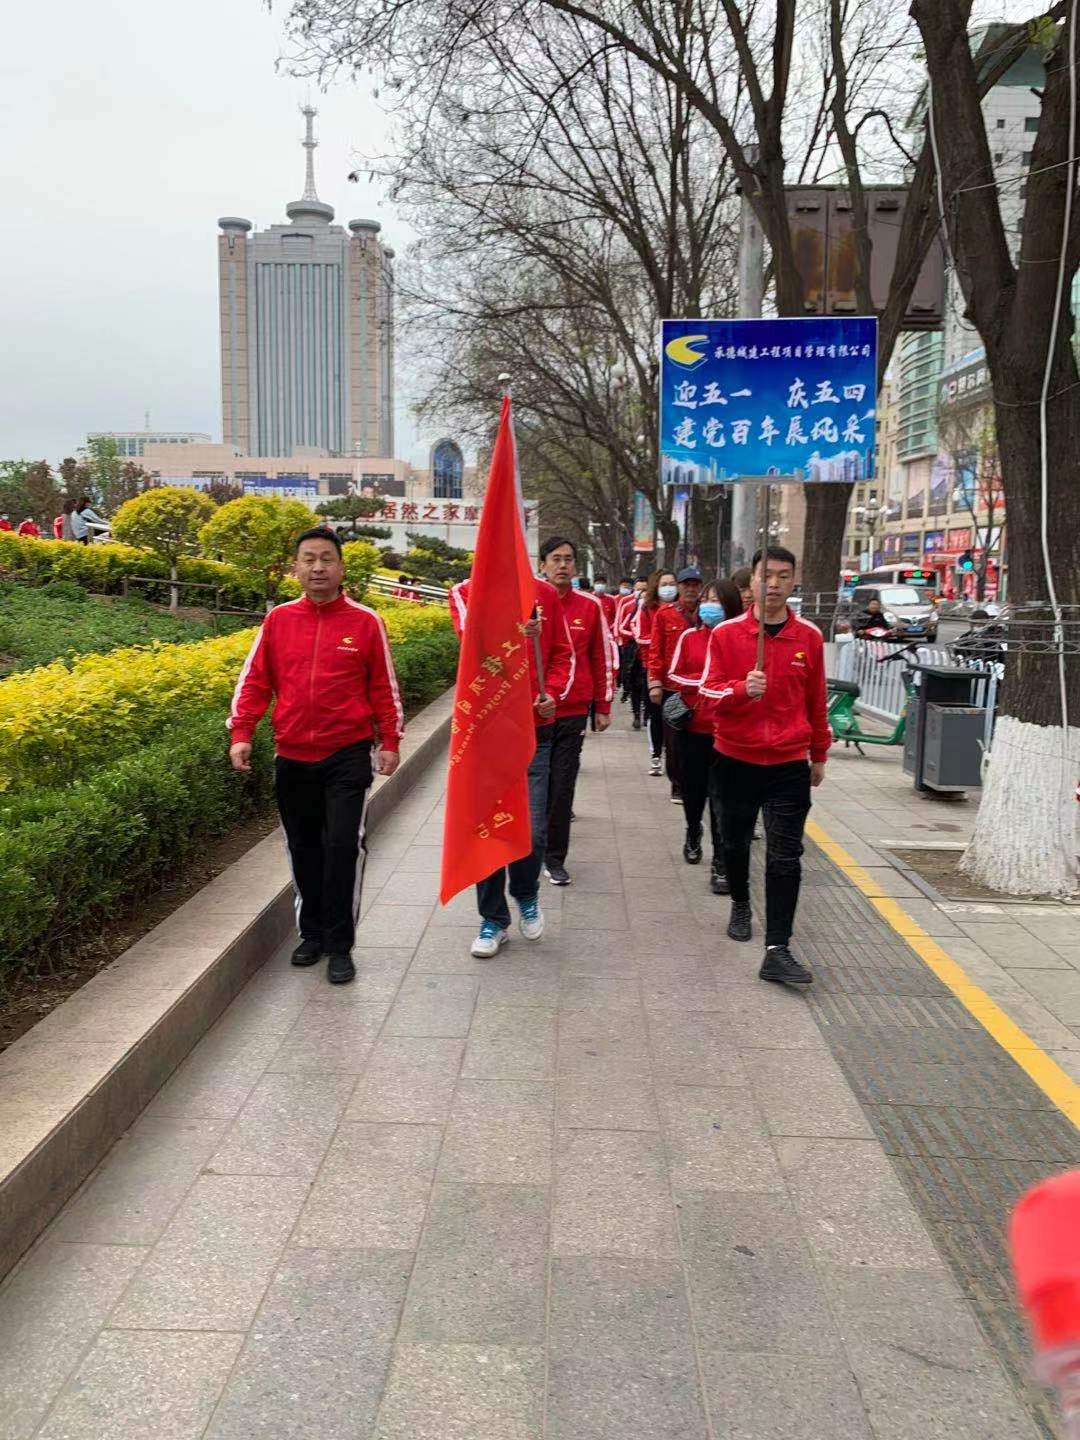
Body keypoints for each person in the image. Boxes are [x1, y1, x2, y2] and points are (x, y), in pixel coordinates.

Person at [228, 526, 404, 985]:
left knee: (344, 846)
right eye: (309, 559)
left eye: (327, 559)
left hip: (345, 755)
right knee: (303, 848)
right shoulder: (279, 620)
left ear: (341, 568)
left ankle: (341, 944)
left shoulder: (366, 622)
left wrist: (390, 741)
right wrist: (242, 732)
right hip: (292, 756)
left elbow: (384, 688)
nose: (318, 567)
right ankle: (312, 934)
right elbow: (255, 681)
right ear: (296, 568)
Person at [699, 545, 831, 987]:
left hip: (788, 763)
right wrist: (740, 689)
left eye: (783, 576)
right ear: (751, 582)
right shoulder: (726, 634)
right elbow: (706, 694)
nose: (773, 584)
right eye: (765, 575)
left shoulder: (808, 637)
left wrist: (820, 752)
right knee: (734, 844)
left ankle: (777, 947)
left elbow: (816, 701)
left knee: (785, 854)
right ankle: (740, 901)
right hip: (734, 758)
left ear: (794, 582)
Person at [448, 572, 574, 956]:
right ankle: (493, 920)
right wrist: (518, 634)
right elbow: (472, 644)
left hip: (535, 732)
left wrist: (550, 692)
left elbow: (562, 654)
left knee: (532, 830)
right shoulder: (465, 592)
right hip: (486, 734)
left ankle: (525, 893)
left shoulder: (546, 594)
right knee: (488, 830)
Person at [539, 536, 614, 886]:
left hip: (572, 711)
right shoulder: (529, 603)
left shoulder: (589, 606)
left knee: (562, 785)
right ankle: (528, 853)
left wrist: (603, 705)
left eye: (568, 559)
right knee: (534, 785)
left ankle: (555, 858)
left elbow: (601, 657)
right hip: (534, 711)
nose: (563, 565)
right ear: (542, 564)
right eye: (556, 559)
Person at [667, 579, 742, 894]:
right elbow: (673, 674)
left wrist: (723, 686)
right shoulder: (690, 636)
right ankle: (693, 831)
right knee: (694, 792)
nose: (711, 604)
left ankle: (721, 863)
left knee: (723, 799)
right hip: (693, 728)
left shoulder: (739, 639)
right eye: (707, 598)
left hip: (726, 732)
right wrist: (704, 682)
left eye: (718, 600)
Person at [647, 565, 703, 801]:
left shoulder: (708, 613)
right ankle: (678, 784)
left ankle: (696, 782)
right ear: (679, 586)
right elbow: (655, 651)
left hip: (701, 689)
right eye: (686, 585)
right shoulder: (665, 614)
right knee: (674, 740)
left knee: (698, 738)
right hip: (672, 689)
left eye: (695, 585)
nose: (690, 589)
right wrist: (654, 683)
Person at [635, 569, 676, 776]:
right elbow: (640, 636)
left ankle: (673, 756)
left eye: (672, 583)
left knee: (674, 717)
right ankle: (656, 755)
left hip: (676, 676)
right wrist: (659, 640)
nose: (668, 588)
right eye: (664, 584)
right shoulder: (647, 608)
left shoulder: (681, 610)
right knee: (656, 716)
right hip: (652, 670)